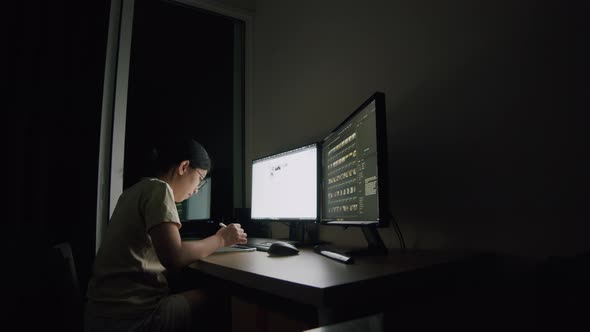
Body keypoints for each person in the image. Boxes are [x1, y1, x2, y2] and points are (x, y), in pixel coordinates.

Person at [84, 136, 247, 332]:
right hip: (132, 320)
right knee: (223, 296)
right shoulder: (159, 189)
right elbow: (174, 256)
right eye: (200, 180)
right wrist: (221, 239)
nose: (196, 190)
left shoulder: (132, 192)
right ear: (184, 167)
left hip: (100, 315)